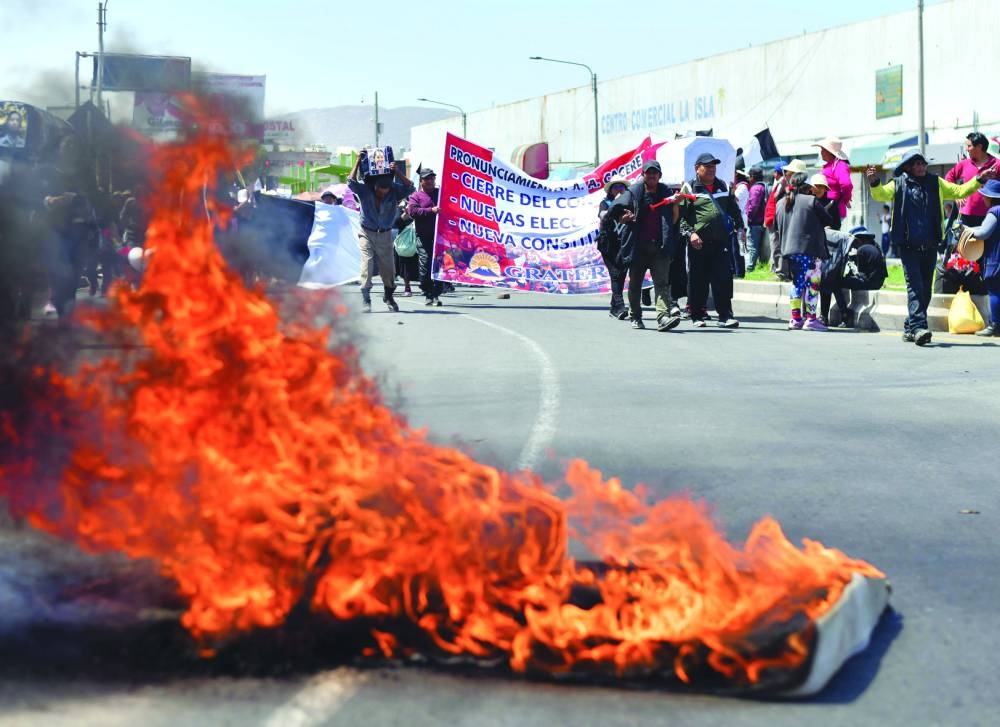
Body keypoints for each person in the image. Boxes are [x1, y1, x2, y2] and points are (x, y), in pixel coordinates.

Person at [867, 149, 995, 345]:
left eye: (923, 163)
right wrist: (875, 181)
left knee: (926, 290)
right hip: (908, 246)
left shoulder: (936, 183)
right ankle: (919, 327)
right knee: (915, 288)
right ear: (908, 167)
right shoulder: (899, 183)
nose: (921, 167)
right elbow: (880, 194)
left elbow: (960, 191)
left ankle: (910, 326)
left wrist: (979, 178)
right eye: (916, 164)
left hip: (930, 245)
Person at [609, 160, 681, 331]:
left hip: (659, 247)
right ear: (643, 175)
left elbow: (673, 220)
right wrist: (623, 217)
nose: (652, 175)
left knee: (662, 283)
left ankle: (663, 317)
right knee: (635, 284)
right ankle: (635, 315)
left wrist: (676, 204)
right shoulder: (633, 192)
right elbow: (616, 210)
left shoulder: (666, 193)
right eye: (648, 172)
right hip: (637, 247)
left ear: (660, 175)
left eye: (655, 172)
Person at [678, 152, 745, 328]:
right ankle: (696, 315)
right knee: (697, 280)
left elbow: (733, 209)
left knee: (723, 279)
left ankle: (725, 315)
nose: (711, 169)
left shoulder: (723, 186)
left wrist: (741, 227)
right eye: (707, 166)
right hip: (697, 244)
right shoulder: (689, 188)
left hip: (721, 243)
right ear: (697, 168)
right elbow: (681, 218)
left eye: (713, 166)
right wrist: (691, 234)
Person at [348, 151, 414, 313]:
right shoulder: (365, 190)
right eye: (379, 192)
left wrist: (397, 171)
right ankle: (366, 299)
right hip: (366, 232)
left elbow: (410, 187)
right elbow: (350, 182)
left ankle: (389, 295)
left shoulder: (394, 190)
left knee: (388, 269)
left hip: (385, 234)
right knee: (367, 264)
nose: (382, 195)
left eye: (386, 192)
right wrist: (357, 160)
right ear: (375, 186)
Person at [775, 172, 832, 330]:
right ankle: (811, 319)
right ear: (808, 187)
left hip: (789, 251)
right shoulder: (811, 201)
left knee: (797, 283)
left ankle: (795, 319)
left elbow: (775, 226)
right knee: (813, 283)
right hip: (810, 250)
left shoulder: (780, 203)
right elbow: (828, 220)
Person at [819, 226, 888, 328]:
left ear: (858, 239)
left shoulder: (861, 250)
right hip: (878, 282)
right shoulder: (876, 247)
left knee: (836, 282)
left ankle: (845, 313)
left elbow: (861, 275)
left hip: (869, 282)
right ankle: (844, 313)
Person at [960, 179, 1000, 336]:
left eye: (984, 195)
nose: (982, 198)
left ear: (990, 197)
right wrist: (970, 228)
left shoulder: (994, 211)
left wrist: (964, 230)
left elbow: (984, 233)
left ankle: (995, 325)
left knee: (995, 291)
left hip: (996, 259)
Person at [407, 168, 444, 306]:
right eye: (427, 179)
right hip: (424, 237)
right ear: (421, 181)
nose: (430, 181)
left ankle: (436, 293)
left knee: (440, 266)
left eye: (432, 178)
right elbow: (412, 211)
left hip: (441, 237)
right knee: (425, 265)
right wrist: (431, 211)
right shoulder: (416, 196)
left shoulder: (441, 193)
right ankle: (428, 291)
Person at [945, 131, 998, 226]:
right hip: (966, 216)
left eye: (969, 146)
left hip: (991, 215)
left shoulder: (997, 164)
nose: (967, 149)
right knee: (968, 241)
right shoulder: (963, 164)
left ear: (979, 147)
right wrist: (956, 195)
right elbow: (948, 178)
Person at [597, 176, 629, 319]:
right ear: (610, 190)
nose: (619, 189)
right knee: (615, 273)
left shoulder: (629, 204)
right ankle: (621, 306)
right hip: (608, 245)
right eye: (615, 187)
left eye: (621, 187)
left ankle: (614, 307)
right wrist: (615, 205)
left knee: (621, 274)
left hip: (624, 244)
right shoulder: (605, 203)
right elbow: (603, 215)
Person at [813, 136, 853, 223]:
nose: (821, 152)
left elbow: (846, 184)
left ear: (829, 151)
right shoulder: (830, 165)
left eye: (823, 149)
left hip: (833, 211)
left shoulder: (840, 164)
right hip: (826, 209)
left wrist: (846, 199)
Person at [744, 165, 767, 273]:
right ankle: (754, 266)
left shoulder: (755, 188)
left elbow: (753, 206)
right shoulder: (762, 187)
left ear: (753, 176)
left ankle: (750, 268)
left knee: (752, 245)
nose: (748, 178)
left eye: (749, 176)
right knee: (755, 245)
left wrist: (748, 218)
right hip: (759, 221)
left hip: (755, 222)